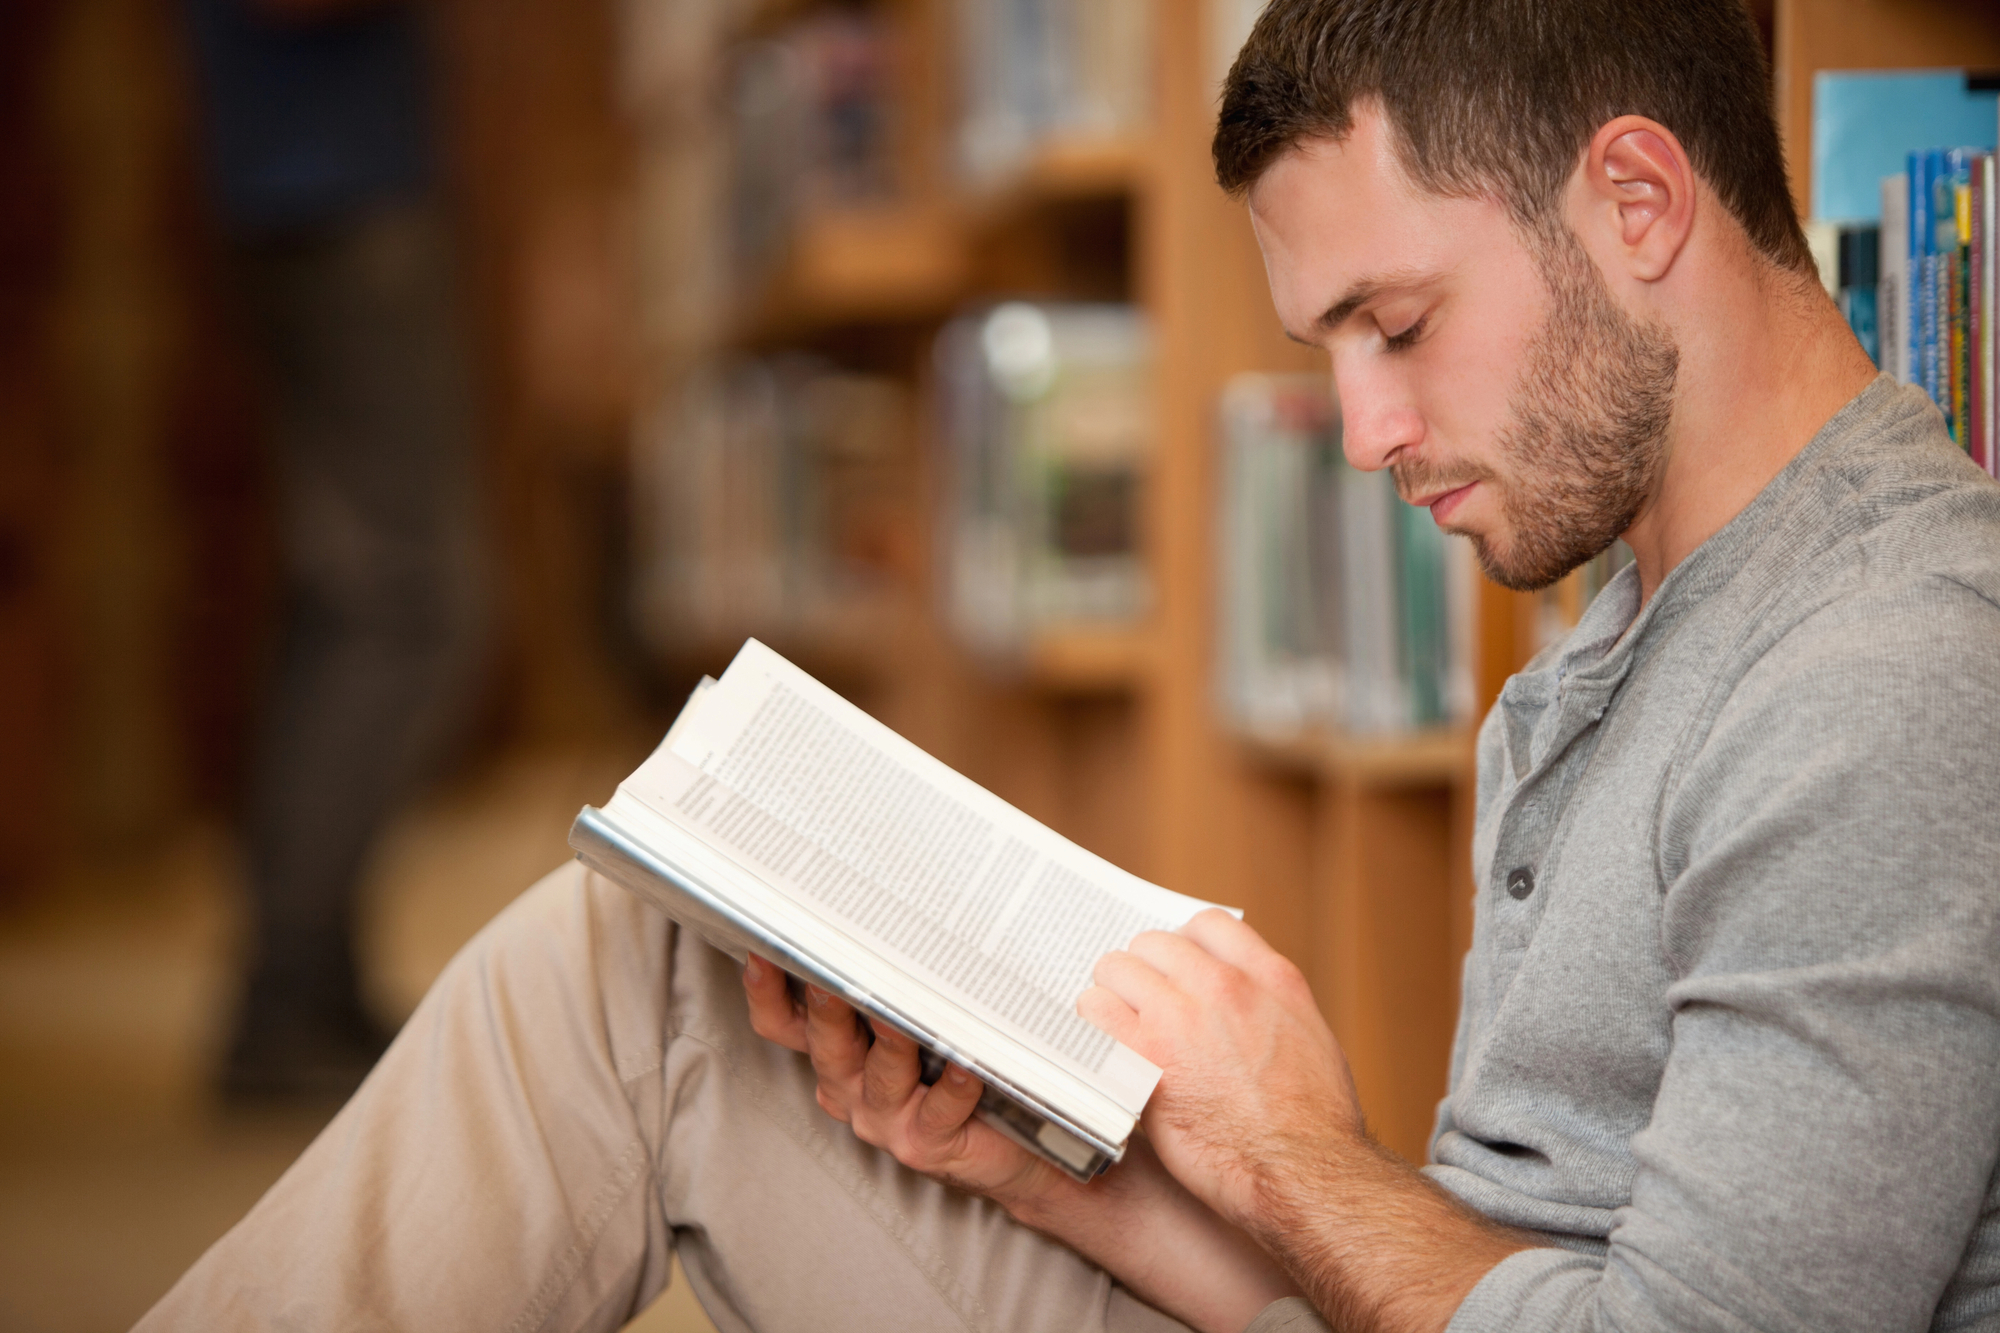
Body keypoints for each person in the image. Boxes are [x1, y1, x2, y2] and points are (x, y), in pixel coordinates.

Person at [141, 0, 2000, 1329]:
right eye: (1329, 347)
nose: (1361, 429)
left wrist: (1282, 1148)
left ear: (1641, 204)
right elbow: (1493, 1251)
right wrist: (1062, 1177)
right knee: (649, 966)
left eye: (1398, 323)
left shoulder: (1887, 679)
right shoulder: (1621, 630)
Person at [180, 0, 487, 1099]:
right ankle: (288, 994)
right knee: (410, 602)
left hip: (313, 177)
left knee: (353, 590)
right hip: (334, 187)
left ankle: (308, 978)